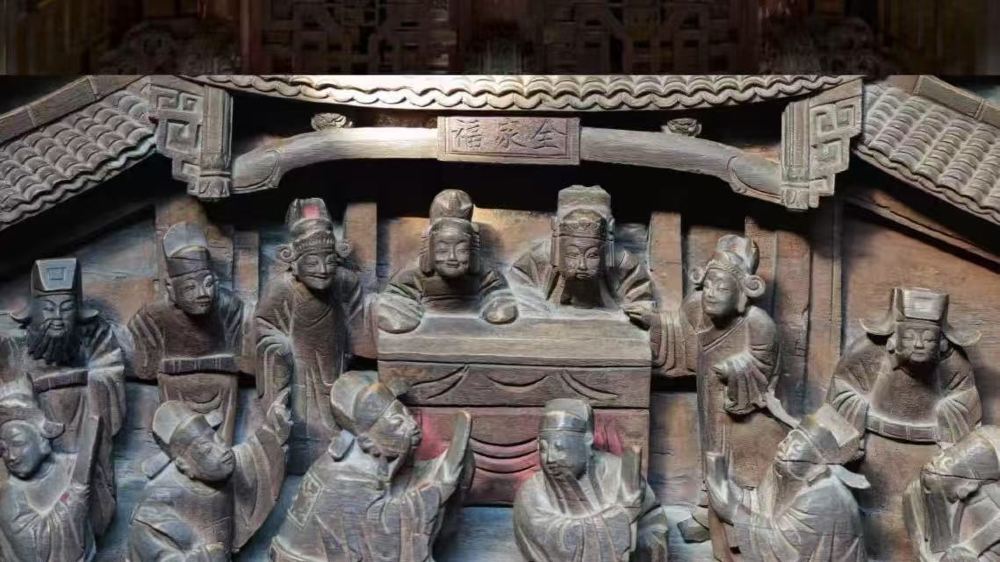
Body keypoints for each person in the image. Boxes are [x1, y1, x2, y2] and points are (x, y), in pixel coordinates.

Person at [270, 371, 473, 562]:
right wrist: (436, 491)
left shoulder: (363, 456)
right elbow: (382, 532)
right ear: (368, 439)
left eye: (407, 415)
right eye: (397, 423)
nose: (412, 425)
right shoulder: (345, 478)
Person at [256, 197, 374, 473]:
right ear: (295, 262)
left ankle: (336, 457)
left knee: (335, 410)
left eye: (329, 261)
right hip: (298, 368)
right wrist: (278, 347)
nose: (322, 270)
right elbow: (264, 325)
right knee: (303, 415)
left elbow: (357, 318)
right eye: (312, 262)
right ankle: (300, 459)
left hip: (335, 361)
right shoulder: (282, 288)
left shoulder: (344, 281)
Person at [9, 257, 124, 536]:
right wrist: (35, 424)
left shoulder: (97, 339)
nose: (58, 317)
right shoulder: (15, 348)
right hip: (42, 442)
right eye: (49, 309)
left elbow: (110, 371)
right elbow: (10, 394)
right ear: (35, 311)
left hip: (86, 431)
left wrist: (94, 383)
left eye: (67, 307)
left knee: (90, 494)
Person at [127, 393, 291, 561]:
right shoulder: (155, 509)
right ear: (184, 465)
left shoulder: (220, 469)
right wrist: (207, 556)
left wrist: (274, 428)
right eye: (206, 450)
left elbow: (251, 455)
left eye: (216, 437)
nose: (222, 450)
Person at [129, 222, 250, 444]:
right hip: (174, 392)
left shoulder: (229, 307)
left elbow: (245, 360)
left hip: (224, 392)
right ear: (170, 289)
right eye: (190, 287)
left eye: (208, 284)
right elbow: (145, 369)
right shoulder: (152, 317)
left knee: (222, 448)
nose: (203, 294)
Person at [706, 404, 868, 561]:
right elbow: (760, 504)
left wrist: (734, 511)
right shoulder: (784, 470)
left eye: (795, 446)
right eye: (787, 440)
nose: (782, 446)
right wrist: (723, 482)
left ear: (816, 462)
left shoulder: (824, 496)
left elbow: (782, 547)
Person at [513, 398, 668, 562]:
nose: (549, 459)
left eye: (559, 448)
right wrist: (621, 516)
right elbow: (549, 540)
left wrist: (648, 540)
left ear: (586, 440)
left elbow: (652, 516)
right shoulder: (531, 492)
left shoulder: (618, 472)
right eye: (543, 450)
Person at [510, 185, 655, 324]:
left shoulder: (623, 262)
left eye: (592, 256)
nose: (582, 266)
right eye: (572, 255)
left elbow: (642, 302)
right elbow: (517, 290)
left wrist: (646, 315)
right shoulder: (539, 258)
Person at [378, 189, 517, 333]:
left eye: (462, 250)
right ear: (430, 249)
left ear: (472, 250)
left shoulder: (485, 273)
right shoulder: (413, 273)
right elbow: (396, 295)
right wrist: (401, 309)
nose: (452, 257)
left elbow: (498, 292)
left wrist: (497, 303)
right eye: (442, 250)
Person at [0, 387, 101, 562]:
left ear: (42, 440)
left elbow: (102, 517)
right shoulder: (11, 495)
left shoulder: (72, 466)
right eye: (3, 449)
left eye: (18, 443)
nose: (11, 457)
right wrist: (76, 495)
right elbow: (34, 547)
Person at [904, 426, 1000, 561]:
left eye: (950, 463)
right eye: (948, 453)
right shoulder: (915, 492)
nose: (938, 459)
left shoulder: (989, 508)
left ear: (966, 488)